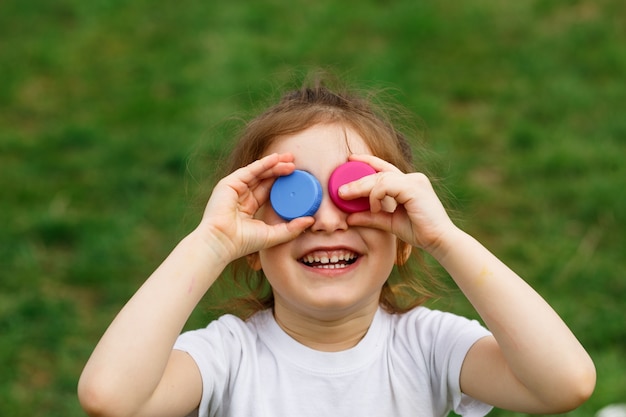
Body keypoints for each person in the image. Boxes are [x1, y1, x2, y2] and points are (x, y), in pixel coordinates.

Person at [78, 77, 596, 417]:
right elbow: (110, 397)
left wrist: (447, 238)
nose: (326, 219)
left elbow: (564, 384)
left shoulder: (424, 345)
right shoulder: (229, 356)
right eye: (294, 197)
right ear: (252, 245)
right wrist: (210, 243)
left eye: (356, 197)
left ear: (403, 240)